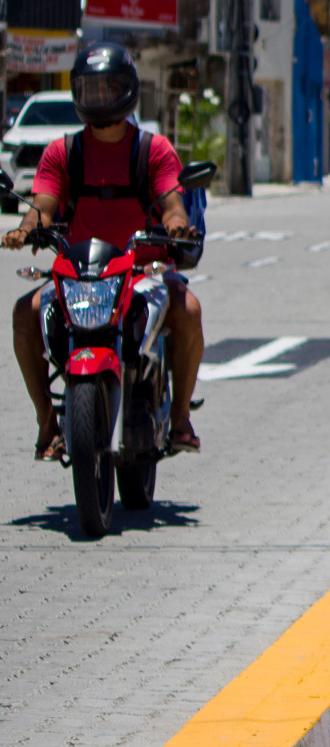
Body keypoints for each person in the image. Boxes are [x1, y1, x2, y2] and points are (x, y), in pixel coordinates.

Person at [4, 42, 204, 457]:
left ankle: (181, 418)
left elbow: (172, 204)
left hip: (140, 272)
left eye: (109, 88)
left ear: (127, 90)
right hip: (82, 274)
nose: (100, 97)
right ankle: (47, 423)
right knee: (24, 313)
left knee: (189, 310)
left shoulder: (152, 149)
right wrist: (25, 230)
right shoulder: (63, 152)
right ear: (78, 94)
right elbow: (41, 207)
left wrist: (176, 226)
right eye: (91, 90)